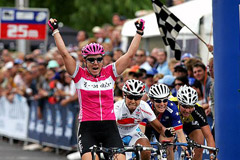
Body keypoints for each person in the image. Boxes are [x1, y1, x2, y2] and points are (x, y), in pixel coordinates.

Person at [48, 18, 146, 160]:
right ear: (85, 61)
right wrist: (55, 31)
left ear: (103, 60)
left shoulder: (110, 73)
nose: (95, 63)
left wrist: (139, 32)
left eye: (99, 59)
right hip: (88, 127)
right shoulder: (79, 74)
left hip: (109, 127)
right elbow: (64, 54)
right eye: (91, 60)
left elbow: (129, 55)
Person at [114, 79, 175, 160]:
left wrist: (167, 132)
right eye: (130, 97)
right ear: (124, 94)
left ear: (141, 97)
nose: (133, 101)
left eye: (137, 98)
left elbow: (159, 128)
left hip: (133, 132)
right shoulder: (117, 107)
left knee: (146, 149)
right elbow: (110, 128)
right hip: (117, 134)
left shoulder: (144, 106)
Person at [146, 83, 188, 160]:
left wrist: (186, 149)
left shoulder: (172, 108)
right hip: (147, 128)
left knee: (168, 141)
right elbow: (141, 130)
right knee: (145, 149)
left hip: (164, 129)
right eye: (158, 101)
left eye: (165, 100)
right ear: (152, 100)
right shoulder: (146, 107)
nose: (162, 104)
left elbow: (179, 132)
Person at [177, 85, 216, 160]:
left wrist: (212, 155)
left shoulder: (198, 110)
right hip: (172, 124)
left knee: (199, 142)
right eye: (185, 106)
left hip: (188, 124)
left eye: (191, 107)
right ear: (179, 102)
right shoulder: (171, 104)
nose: (188, 110)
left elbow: (208, 136)